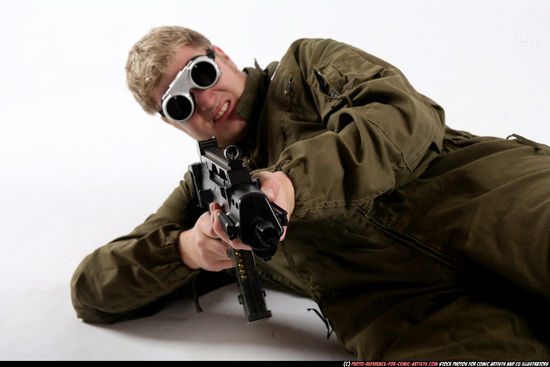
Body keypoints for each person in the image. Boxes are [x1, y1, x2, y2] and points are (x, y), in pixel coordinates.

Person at [71, 26, 550, 361]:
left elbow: (400, 117)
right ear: (172, 124)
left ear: (221, 55)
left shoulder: (305, 70)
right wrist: (188, 250)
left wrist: (289, 183)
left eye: (199, 75)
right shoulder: (206, 193)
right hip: (410, 315)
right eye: (179, 105)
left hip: (492, 200)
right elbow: (91, 290)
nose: (204, 101)